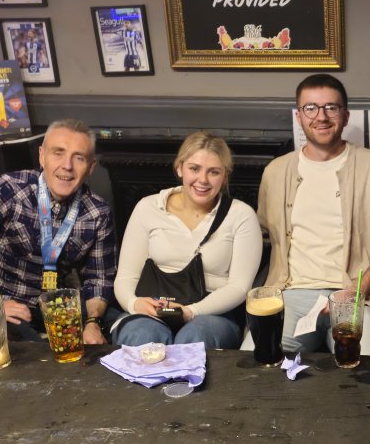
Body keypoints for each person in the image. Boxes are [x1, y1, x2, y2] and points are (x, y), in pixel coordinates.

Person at [256, 73, 370, 356]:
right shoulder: (276, 172)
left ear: (345, 115)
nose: (321, 117)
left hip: (355, 297)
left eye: (331, 107)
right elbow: (262, 236)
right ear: (299, 116)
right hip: (290, 296)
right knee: (257, 362)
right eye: (311, 108)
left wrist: (358, 290)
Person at [0, 119, 116, 344]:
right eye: (58, 153)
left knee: (120, 323)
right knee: (36, 350)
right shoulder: (9, 189)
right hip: (4, 304)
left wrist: (93, 323)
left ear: (91, 167)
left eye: (78, 158)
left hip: (59, 304)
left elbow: (100, 279)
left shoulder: (98, 213)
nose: (67, 166)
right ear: (42, 156)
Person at [112, 132, 262, 349]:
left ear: (225, 176)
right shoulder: (148, 207)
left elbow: (239, 287)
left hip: (212, 313)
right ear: (180, 168)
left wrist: (191, 311)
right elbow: (126, 277)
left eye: (213, 172)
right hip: (152, 307)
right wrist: (134, 304)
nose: (203, 180)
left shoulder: (241, 215)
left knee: (194, 340)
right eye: (194, 168)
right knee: (142, 336)